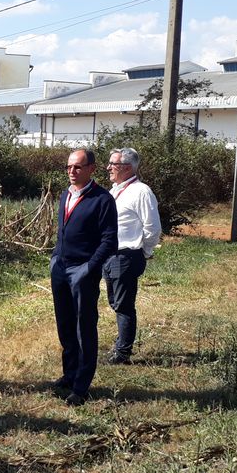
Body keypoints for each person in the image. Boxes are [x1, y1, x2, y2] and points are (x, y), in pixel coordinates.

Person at [50, 148, 117, 406]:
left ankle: (81, 386)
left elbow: (109, 240)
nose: (71, 172)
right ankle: (69, 374)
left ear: (91, 169)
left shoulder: (102, 199)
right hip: (60, 268)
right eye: (68, 167)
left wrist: (89, 268)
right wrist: (56, 257)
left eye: (77, 167)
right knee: (65, 325)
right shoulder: (66, 194)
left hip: (82, 271)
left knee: (83, 327)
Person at [102, 148, 161, 365]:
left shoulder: (141, 192)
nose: (108, 168)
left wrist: (143, 251)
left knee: (124, 304)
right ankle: (121, 344)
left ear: (127, 168)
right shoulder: (116, 190)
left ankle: (122, 353)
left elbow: (152, 228)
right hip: (110, 256)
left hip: (126, 255)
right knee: (116, 302)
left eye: (113, 164)